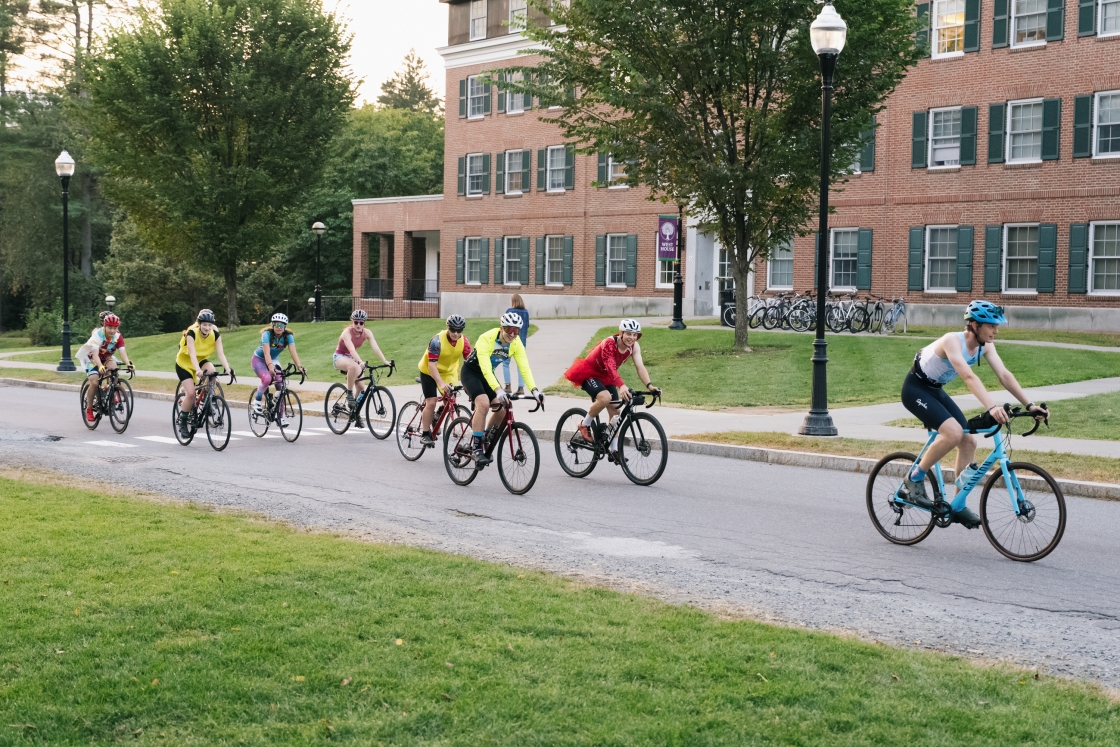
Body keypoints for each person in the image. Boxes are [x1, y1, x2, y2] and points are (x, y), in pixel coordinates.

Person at [900, 300, 1048, 528]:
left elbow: (1004, 375)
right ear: (974, 325)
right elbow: (969, 378)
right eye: (991, 326)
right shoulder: (952, 341)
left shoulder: (985, 346)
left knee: (968, 441)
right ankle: (914, 478)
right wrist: (992, 407)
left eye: (996, 326)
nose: (996, 331)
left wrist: (1030, 405)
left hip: (935, 390)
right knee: (953, 432)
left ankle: (958, 505)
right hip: (915, 390)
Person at [564, 319, 660, 460]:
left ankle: (613, 450)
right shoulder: (610, 343)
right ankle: (584, 425)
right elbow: (610, 366)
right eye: (628, 334)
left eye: (635, 335)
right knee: (605, 398)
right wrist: (621, 385)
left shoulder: (634, 346)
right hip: (590, 373)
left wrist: (650, 386)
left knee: (616, 411)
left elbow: (640, 367)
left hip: (607, 377)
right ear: (621, 333)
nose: (632, 338)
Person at [460, 312, 544, 465]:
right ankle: (477, 448)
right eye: (509, 330)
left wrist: (535, 390)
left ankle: (484, 436)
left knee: (503, 409)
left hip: (487, 376)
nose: (512, 334)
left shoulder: (516, 343)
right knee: (484, 404)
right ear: (501, 328)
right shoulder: (487, 338)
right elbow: (485, 368)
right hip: (471, 372)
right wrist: (498, 390)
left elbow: (524, 368)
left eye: (516, 331)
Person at [175, 309, 234, 439]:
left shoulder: (215, 334)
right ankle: (183, 422)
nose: (207, 327)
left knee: (213, 373)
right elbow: (191, 353)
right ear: (199, 324)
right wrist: (198, 370)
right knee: (190, 394)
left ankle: (207, 399)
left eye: (209, 325)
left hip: (201, 360)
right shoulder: (192, 333)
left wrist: (228, 368)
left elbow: (220, 353)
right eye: (204, 324)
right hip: (185, 363)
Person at [417, 314, 471, 446]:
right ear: (448, 328)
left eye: (459, 331)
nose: (456, 333)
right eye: (453, 330)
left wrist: (470, 384)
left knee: (450, 399)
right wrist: (440, 383)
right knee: (431, 402)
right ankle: (425, 434)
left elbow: (470, 363)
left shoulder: (464, 341)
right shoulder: (437, 341)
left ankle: (437, 416)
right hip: (429, 370)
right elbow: (432, 366)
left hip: (449, 371)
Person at [334, 309, 393, 426]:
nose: (358, 325)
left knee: (361, 389)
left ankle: (354, 413)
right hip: (340, 356)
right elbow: (351, 349)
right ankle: (349, 394)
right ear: (352, 322)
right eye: (356, 322)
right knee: (352, 366)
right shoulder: (346, 333)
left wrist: (384, 360)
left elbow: (375, 347)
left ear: (364, 323)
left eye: (361, 323)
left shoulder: (367, 333)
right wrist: (359, 361)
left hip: (352, 357)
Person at [77, 313, 134, 423]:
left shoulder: (118, 336)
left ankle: (112, 390)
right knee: (94, 382)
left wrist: (129, 364)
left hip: (106, 358)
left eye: (115, 328)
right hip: (92, 358)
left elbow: (123, 353)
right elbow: (95, 355)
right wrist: (100, 366)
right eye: (110, 327)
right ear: (104, 326)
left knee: (114, 370)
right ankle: (89, 408)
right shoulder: (97, 335)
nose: (112, 330)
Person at [252, 313, 306, 424]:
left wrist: (299, 367)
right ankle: (257, 401)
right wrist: (270, 367)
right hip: (259, 359)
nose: (279, 327)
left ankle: (280, 418)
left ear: (285, 326)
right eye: (276, 324)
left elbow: (293, 352)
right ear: (272, 325)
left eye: (282, 325)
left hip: (274, 359)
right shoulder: (267, 334)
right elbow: (266, 353)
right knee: (267, 379)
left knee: (281, 387)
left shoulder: (288, 336)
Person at [501, 294, 530, 395]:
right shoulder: (526, 312)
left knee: (505, 364)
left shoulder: (510, 311)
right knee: (521, 365)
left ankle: (508, 386)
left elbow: (504, 326)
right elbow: (527, 326)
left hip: (509, 342)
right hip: (521, 343)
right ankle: (521, 388)